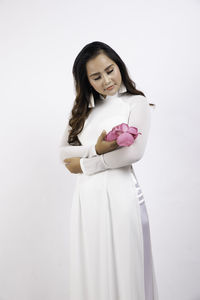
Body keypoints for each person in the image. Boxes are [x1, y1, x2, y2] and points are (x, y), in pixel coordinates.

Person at [59, 41, 159, 300]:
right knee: (93, 269)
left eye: (110, 70)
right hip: (86, 200)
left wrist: (85, 164)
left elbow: (133, 153)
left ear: (119, 66)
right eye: (96, 76)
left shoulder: (135, 103)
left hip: (120, 196)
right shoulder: (83, 110)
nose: (106, 80)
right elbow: (63, 153)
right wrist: (99, 148)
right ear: (87, 81)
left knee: (126, 267)